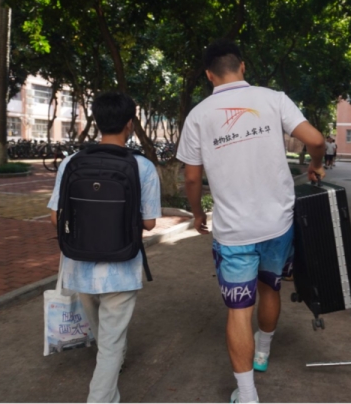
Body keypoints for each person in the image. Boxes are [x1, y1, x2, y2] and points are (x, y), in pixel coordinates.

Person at [176, 40, 326, 404]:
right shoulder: (273, 99)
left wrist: (198, 214)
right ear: (242, 66)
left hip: (233, 232)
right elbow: (316, 139)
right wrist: (316, 164)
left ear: (209, 75)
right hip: (278, 223)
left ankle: (247, 396)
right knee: (269, 289)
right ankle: (263, 351)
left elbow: (192, 178)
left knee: (239, 311)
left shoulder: (198, 115)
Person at [47, 92, 161, 403]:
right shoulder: (142, 167)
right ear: (130, 124)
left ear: (96, 121)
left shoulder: (71, 163)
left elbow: (55, 216)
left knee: (103, 335)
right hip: (121, 266)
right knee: (111, 343)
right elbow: (150, 223)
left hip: (78, 262)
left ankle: (112, 368)